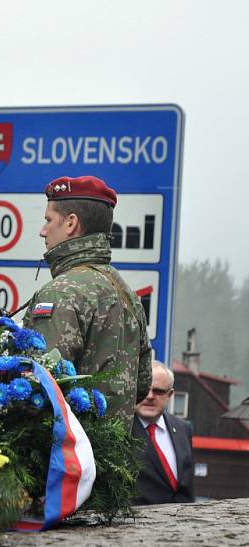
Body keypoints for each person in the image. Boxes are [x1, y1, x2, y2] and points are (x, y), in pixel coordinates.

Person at [22, 175, 152, 418]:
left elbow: (40, 387)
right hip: (112, 452)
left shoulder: (62, 291)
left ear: (71, 223)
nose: (42, 231)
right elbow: (142, 383)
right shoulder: (126, 292)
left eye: (49, 220)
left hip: (65, 453)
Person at [132, 360, 195, 504]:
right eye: (144, 389)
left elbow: (187, 487)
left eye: (158, 391)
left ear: (170, 394)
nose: (149, 396)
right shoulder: (120, 428)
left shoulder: (183, 428)